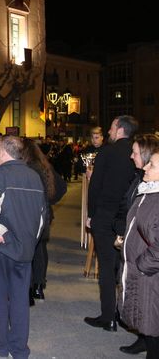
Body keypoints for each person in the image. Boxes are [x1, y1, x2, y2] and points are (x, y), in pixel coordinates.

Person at [0, 135, 46, 359]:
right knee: (20, 299)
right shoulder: (34, 176)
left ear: (3, 152)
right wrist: (28, 239)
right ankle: (20, 349)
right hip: (23, 248)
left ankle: (0, 347)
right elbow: (42, 216)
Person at [85, 115, 138, 332]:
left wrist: (91, 214)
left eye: (111, 127)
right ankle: (126, 313)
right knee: (125, 266)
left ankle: (109, 317)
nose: (108, 131)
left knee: (106, 266)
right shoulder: (136, 154)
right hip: (128, 216)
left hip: (106, 216)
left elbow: (95, 186)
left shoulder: (107, 152)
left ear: (119, 130)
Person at [117, 134, 159, 356]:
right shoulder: (148, 191)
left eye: (152, 164)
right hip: (142, 271)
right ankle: (145, 343)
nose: (146, 167)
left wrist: (142, 264)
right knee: (147, 322)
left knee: (153, 324)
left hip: (149, 274)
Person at [21, 139, 66, 305]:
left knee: (28, 252)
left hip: (29, 214)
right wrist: (49, 201)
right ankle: (39, 286)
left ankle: (29, 288)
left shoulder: (26, 168)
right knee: (40, 249)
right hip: (44, 213)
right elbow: (61, 187)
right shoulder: (46, 166)